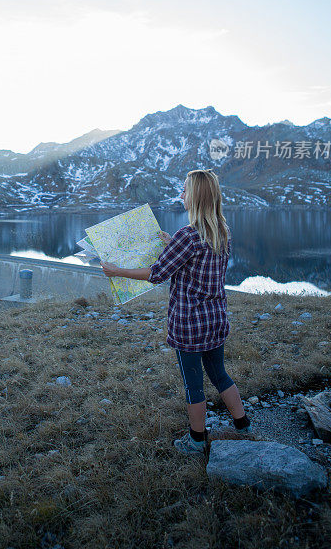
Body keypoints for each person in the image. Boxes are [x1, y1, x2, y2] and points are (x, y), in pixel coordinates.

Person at [100, 168, 251, 455]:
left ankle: (196, 441)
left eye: (184, 190)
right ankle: (243, 425)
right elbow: (197, 264)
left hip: (189, 324)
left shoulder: (188, 235)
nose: (180, 194)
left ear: (195, 196)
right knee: (220, 374)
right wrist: (172, 245)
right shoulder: (221, 232)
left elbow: (157, 273)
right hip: (215, 319)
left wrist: (117, 270)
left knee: (193, 384)